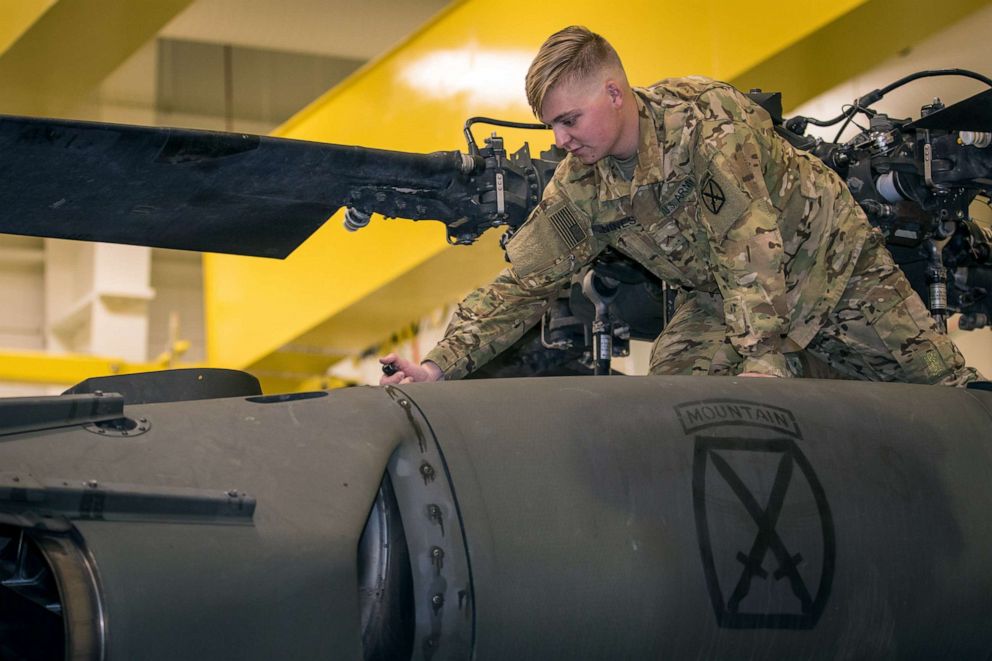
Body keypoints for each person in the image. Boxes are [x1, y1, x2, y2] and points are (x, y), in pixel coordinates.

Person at [381, 25, 981, 386]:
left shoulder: (707, 124)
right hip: (722, 298)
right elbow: (524, 283)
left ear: (614, 94)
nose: (560, 139)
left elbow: (751, 241)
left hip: (832, 264)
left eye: (569, 120)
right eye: (551, 126)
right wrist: (438, 366)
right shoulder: (581, 186)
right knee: (679, 403)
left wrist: (764, 361)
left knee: (943, 393)